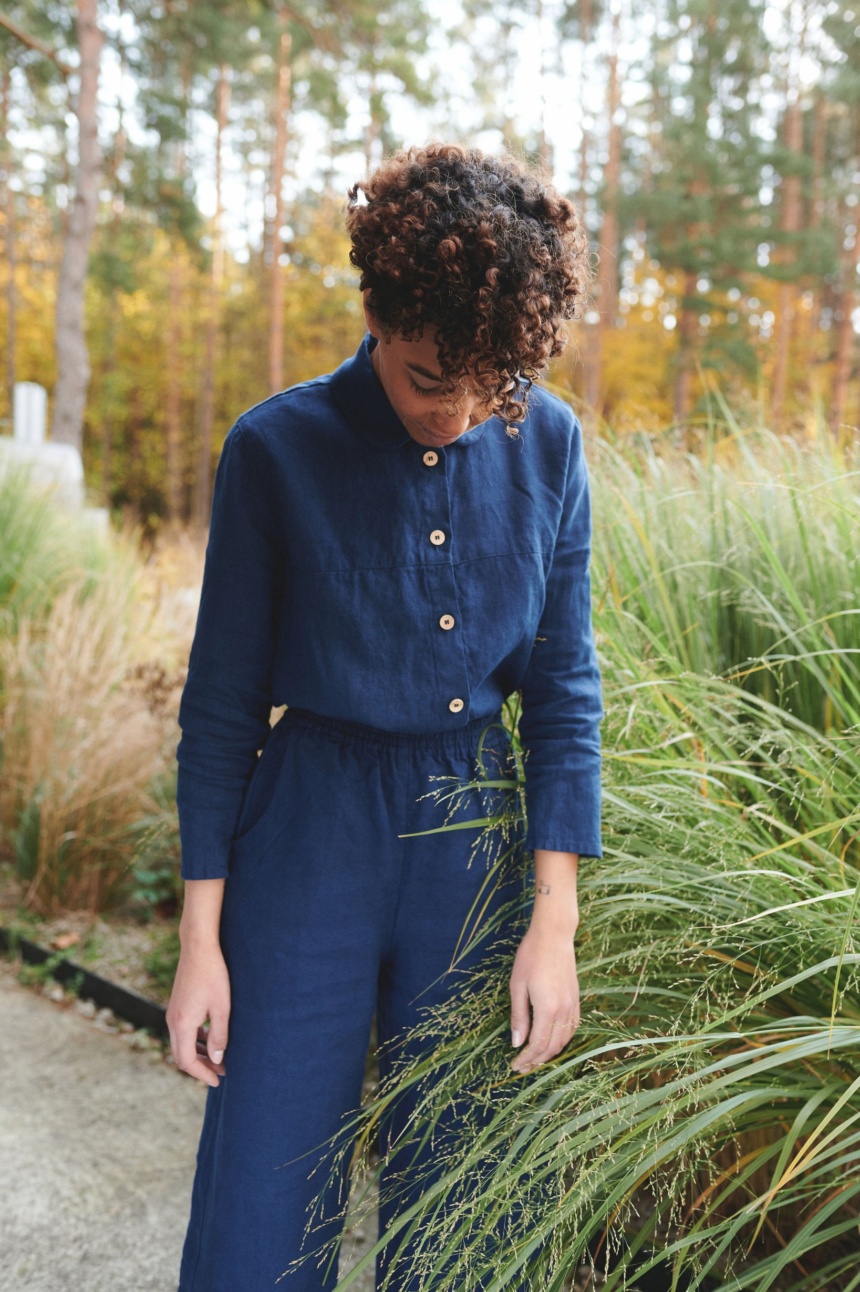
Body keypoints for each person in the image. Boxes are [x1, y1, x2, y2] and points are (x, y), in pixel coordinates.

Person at [169, 141, 604, 1292]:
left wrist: (551, 926)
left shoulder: (549, 446)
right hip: (308, 826)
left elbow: (563, 694)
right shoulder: (275, 448)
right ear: (372, 309)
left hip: (473, 840)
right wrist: (197, 943)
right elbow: (219, 708)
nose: (452, 413)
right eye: (424, 379)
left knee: (458, 1190)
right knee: (263, 1183)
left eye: (483, 388)